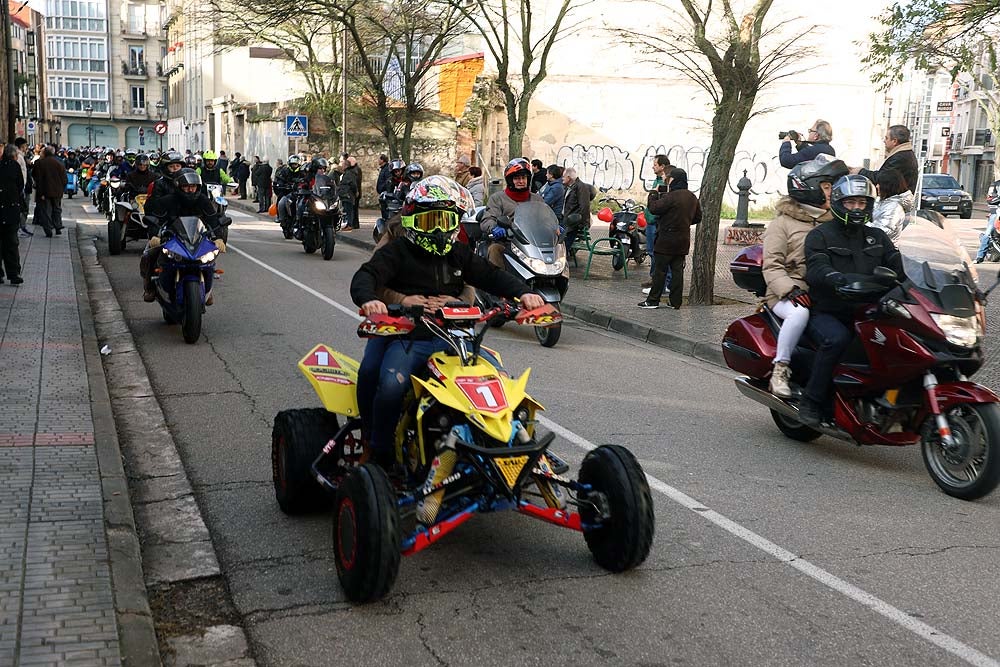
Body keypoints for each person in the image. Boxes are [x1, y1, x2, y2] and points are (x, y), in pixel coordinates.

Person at [350, 175, 544, 469]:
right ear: (413, 221)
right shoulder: (397, 251)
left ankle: (507, 445)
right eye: (431, 221)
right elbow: (365, 276)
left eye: (446, 220)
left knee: (499, 382)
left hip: (453, 337)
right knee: (385, 383)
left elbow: (491, 276)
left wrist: (525, 294)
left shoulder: (457, 253)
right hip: (404, 334)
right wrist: (381, 301)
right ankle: (378, 449)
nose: (440, 229)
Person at [799, 175, 905, 426]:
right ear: (838, 203)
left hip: (871, 310)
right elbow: (815, 267)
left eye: (862, 202)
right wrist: (834, 277)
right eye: (851, 202)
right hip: (830, 310)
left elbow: (899, 266)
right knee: (837, 340)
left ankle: (892, 399)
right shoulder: (820, 235)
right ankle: (811, 401)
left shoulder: (878, 236)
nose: (857, 208)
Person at [761, 155, 846, 397]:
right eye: (828, 187)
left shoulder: (834, 221)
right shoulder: (783, 223)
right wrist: (790, 290)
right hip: (787, 294)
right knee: (799, 314)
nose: (833, 192)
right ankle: (780, 369)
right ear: (810, 187)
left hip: (825, 293)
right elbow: (772, 265)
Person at [140, 169, 226, 303]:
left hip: (197, 239)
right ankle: (149, 287)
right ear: (179, 186)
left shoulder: (203, 201)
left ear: (198, 187)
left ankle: (207, 291)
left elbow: (212, 220)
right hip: (172, 239)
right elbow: (157, 219)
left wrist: (219, 238)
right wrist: (154, 236)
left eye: (193, 187)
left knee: (211, 256)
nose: (190, 190)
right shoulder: (168, 201)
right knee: (148, 254)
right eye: (186, 187)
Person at [638, 168, 701, 310]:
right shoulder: (692, 197)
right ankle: (675, 302)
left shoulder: (671, 196)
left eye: (669, 178)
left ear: (673, 180)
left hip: (666, 240)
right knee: (677, 271)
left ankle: (653, 300)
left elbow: (654, 208)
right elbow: (698, 217)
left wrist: (653, 193)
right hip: (683, 240)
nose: (668, 181)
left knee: (660, 271)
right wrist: (683, 222)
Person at [480, 158, 544, 267]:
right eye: (517, 178)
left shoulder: (537, 199)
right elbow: (487, 219)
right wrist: (494, 227)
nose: (521, 181)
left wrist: (554, 227)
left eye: (524, 178)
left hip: (533, 245)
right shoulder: (498, 198)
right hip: (507, 243)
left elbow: (545, 218)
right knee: (494, 249)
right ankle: (499, 281)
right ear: (510, 180)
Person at [852, 125, 919, 194]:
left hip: (895, 201)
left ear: (894, 141)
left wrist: (861, 171)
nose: (884, 141)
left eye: (886, 138)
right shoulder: (905, 154)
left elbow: (883, 178)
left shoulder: (900, 157)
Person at [642, 154, 671, 289]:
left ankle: (662, 281)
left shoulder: (665, 183)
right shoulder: (657, 180)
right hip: (650, 220)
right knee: (651, 251)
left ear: (662, 166)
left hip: (656, 222)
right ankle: (654, 277)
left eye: (655, 164)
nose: (653, 167)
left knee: (657, 252)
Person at [0, 144, 25, 284]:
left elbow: (20, 184)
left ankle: (14, 273)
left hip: (10, 209)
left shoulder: (12, 165)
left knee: (11, 243)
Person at [31, 146, 67, 237]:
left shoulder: (40, 163)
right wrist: (62, 188)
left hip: (45, 191)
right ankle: (58, 226)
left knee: (46, 211)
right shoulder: (59, 163)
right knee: (57, 209)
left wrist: (41, 192)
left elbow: (37, 177)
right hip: (57, 191)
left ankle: (48, 229)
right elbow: (64, 179)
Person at [870, 169, 914, 241]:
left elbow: (883, 231)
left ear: (889, 186)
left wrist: (861, 222)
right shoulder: (883, 201)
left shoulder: (893, 207)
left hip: (882, 249)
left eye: (880, 183)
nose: (877, 186)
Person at [562, 167, 596, 254]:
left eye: (563, 176)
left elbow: (584, 206)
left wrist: (583, 223)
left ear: (569, 177)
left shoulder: (581, 187)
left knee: (565, 245)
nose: (562, 178)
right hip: (567, 219)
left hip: (573, 222)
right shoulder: (569, 187)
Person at [273, 155, 307, 234]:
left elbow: (307, 181)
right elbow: (279, 180)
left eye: (296, 164)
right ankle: (281, 219)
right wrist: (282, 185)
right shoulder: (284, 171)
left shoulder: (303, 172)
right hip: (288, 193)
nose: (294, 166)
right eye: (293, 164)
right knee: (281, 203)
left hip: (300, 194)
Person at [13, 138, 31, 237]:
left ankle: (21, 227)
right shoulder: (19, 157)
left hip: (22, 186)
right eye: (25, 146)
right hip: (21, 186)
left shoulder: (21, 156)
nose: (26, 148)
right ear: (22, 146)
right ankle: (20, 228)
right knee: (22, 208)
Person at [338, 155, 361, 230]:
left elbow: (353, 184)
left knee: (349, 210)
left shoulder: (349, 173)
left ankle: (350, 224)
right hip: (346, 194)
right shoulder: (348, 173)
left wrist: (356, 191)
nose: (341, 166)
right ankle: (348, 224)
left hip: (348, 194)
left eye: (343, 164)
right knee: (348, 210)